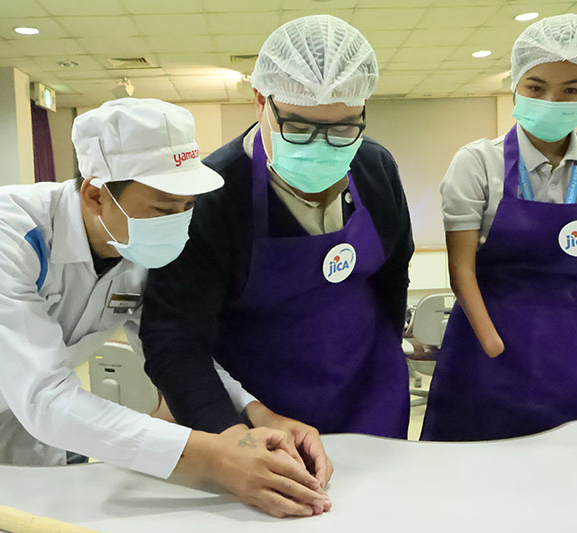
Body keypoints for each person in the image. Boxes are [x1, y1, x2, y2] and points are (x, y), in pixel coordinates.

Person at [0, 98, 330, 518]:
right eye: (162, 208)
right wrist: (212, 459)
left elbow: (170, 351)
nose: (178, 223)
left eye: (187, 207)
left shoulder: (136, 248)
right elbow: (45, 396)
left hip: (6, 428)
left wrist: (256, 412)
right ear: (96, 194)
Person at [140, 14, 413, 451]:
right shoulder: (214, 195)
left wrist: (387, 362)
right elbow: (173, 336)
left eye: (343, 129)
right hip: (264, 416)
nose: (321, 146)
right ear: (259, 101)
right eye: (299, 128)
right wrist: (231, 439)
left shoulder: (375, 168)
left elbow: (392, 277)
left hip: (370, 396)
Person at [421, 14, 577, 442]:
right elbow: (462, 270)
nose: (552, 100)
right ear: (516, 87)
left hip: (565, 349)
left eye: (572, 90)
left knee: (568, 467)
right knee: (470, 475)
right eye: (536, 87)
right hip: (480, 347)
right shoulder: (478, 163)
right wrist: (491, 342)